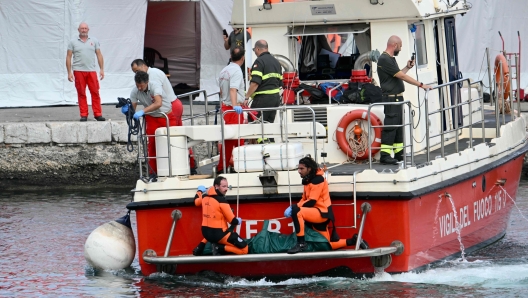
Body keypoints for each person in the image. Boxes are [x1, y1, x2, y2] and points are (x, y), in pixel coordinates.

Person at [285, 156, 365, 254]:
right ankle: (354, 241)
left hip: (321, 214)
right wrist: (296, 206)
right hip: (316, 213)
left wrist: (295, 208)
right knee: (326, 245)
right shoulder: (308, 180)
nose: (299, 171)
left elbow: (311, 202)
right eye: (298, 168)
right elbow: (304, 199)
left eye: (301, 168)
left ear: (309, 169)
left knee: (297, 211)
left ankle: (301, 243)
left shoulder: (317, 180)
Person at [130, 59, 196, 173]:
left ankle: (184, 166)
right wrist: (129, 111)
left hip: (169, 108)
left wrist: (143, 111)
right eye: (134, 72)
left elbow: (157, 101)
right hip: (166, 107)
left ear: (144, 66)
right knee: (177, 140)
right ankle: (190, 165)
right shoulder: (145, 80)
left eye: (137, 70)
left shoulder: (153, 76)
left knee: (175, 141)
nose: (136, 73)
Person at [376, 35, 432, 165]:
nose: (400, 49)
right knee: (391, 127)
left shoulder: (390, 59)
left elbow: (397, 75)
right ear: (394, 45)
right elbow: (401, 76)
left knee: (399, 127)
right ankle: (385, 155)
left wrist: (407, 67)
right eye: (400, 46)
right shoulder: (384, 59)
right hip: (391, 100)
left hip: (397, 99)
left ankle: (398, 153)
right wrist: (421, 85)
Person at [127, 71, 177, 181]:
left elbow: (158, 103)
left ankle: (176, 169)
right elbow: (132, 108)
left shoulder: (155, 87)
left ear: (147, 82)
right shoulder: (135, 91)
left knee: (173, 143)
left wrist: (143, 111)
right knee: (152, 146)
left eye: (141, 85)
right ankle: (153, 173)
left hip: (166, 117)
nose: (139, 88)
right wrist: (127, 111)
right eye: (137, 85)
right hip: (152, 118)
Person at [193, 176, 248, 255]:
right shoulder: (222, 201)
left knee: (212, 229)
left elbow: (196, 202)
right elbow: (232, 221)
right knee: (244, 250)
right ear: (216, 186)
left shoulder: (204, 197)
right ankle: (219, 247)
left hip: (205, 233)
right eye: (224, 186)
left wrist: (199, 191)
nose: (226, 189)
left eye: (227, 186)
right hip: (219, 235)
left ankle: (200, 246)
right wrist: (238, 221)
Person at [66, 22, 105, 122]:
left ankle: (98, 114)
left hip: (91, 71)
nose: (83, 30)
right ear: (78, 30)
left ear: (88, 30)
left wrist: (101, 69)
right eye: (82, 28)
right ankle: (84, 114)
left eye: (85, 28)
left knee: (95, 92)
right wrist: (69, 72)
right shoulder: (72, 42)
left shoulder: (94, 40)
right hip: (78, 71)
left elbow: (99, 55)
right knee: (81, 93)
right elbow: (69, 56)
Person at [216, 46, 246, 174]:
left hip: (226, 106)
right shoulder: (237, 71)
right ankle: (239, 165)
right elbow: (233, 89)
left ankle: (225, 166)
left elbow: (221, 91)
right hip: (233, 109)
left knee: (230, 139)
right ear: (243, 58)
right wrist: (235, 106)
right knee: (238, 138)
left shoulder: (224, 70)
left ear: (231, 56)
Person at [244, 40, 283, 124]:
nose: (254, 52)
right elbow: (280, 82)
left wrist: (247, 97)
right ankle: (268, 138)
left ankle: (260, 138)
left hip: (263, 99)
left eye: (254, 50)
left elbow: (255, 83)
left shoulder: (259, 61)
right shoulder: (276, 62)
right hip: (275, 99)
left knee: (254, 123)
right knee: (268, 124)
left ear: (257, 49)